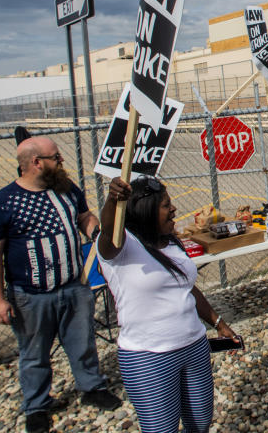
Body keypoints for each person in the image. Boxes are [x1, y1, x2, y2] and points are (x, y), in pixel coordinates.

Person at [0, 137, 121, 433]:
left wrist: (95, 232)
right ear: (35, 162)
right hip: (30, 296)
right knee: (34, 353)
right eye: (55, 157)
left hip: (73, 286)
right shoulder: (2, 203)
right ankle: (37, 406)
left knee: (82, 343)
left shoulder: (66, 190)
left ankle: (92, 387)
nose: (61, 161)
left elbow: (84, 216)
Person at [98, 176, 240, 432]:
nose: (174, 209)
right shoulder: (121, 248)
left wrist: (218, 322)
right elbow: (108, 232)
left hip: (194, 347)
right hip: (148, 358)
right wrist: (112, 201)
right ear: (146, 209)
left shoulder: (169, 241)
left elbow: (185, 287)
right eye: (166, 205)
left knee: (200, 422)